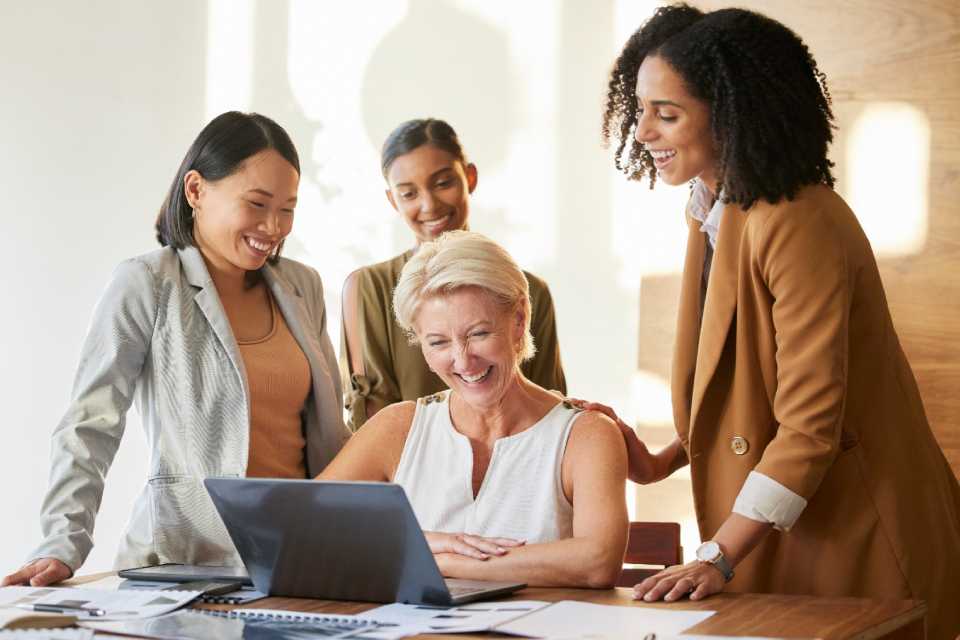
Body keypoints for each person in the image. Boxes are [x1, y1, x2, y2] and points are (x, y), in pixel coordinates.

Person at [598, 4, 960, 637]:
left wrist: (717, 555)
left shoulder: (797, 221)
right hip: (788, 533)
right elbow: (747, 385)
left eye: (667, 113)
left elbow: (810, 423)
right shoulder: (715, 210)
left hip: (860, 535)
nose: (644, 131)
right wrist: (662, 461)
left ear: (731, 114)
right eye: (642, 109)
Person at [2, 112, 350, 588]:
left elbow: (330, 433)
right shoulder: (147, 282)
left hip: (297, 561)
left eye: (288, 208)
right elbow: (92, 421)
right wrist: (63, 542)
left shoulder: (301, 286)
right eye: (257, 203)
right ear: (195, 191)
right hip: (184, 564)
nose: (273, 226)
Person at [321, 231, 627, 587]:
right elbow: (300, 526)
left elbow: (597, 562)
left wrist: (441, 562)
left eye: (478, 333)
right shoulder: (398, 427)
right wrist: (426, 544)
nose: (463, 360)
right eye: (437, 342)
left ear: (518, 321)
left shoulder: (586, 435)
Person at [340, 118, 566, 430]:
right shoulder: (368, 288)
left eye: (443, 183)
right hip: (407, 471)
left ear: (469, 177)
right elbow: (374, 419)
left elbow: (548, 411)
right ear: (392, 200)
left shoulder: (530, 290)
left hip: (516, 469)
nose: (429, 205)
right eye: (408, 194)